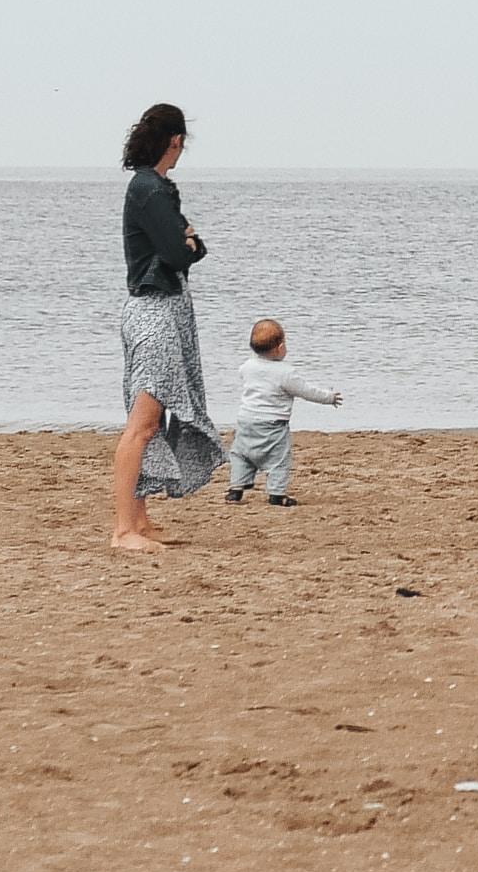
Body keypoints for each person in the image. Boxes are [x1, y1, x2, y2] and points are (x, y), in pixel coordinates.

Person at [110, 101, 224, 553]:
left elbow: (182, 241)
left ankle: (139, 519)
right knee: (143, 423)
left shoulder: (153, 187)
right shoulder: (151, 190)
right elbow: (181, 251)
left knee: (148, 423)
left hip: (159, 310)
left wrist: (189, 241)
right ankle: (123, 530)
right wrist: (192, 244)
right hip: (154, 312)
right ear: (175, 141)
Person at [224, 317, 340, 508]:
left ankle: (235, 489)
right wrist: (329, 398)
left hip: (246, 421)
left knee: (241, 455)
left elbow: (246, 377)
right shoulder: (286, 372)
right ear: (280, 348)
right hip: (273, 425)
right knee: (279, 459)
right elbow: (306, 391)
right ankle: (276, 494)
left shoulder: (247, 367)